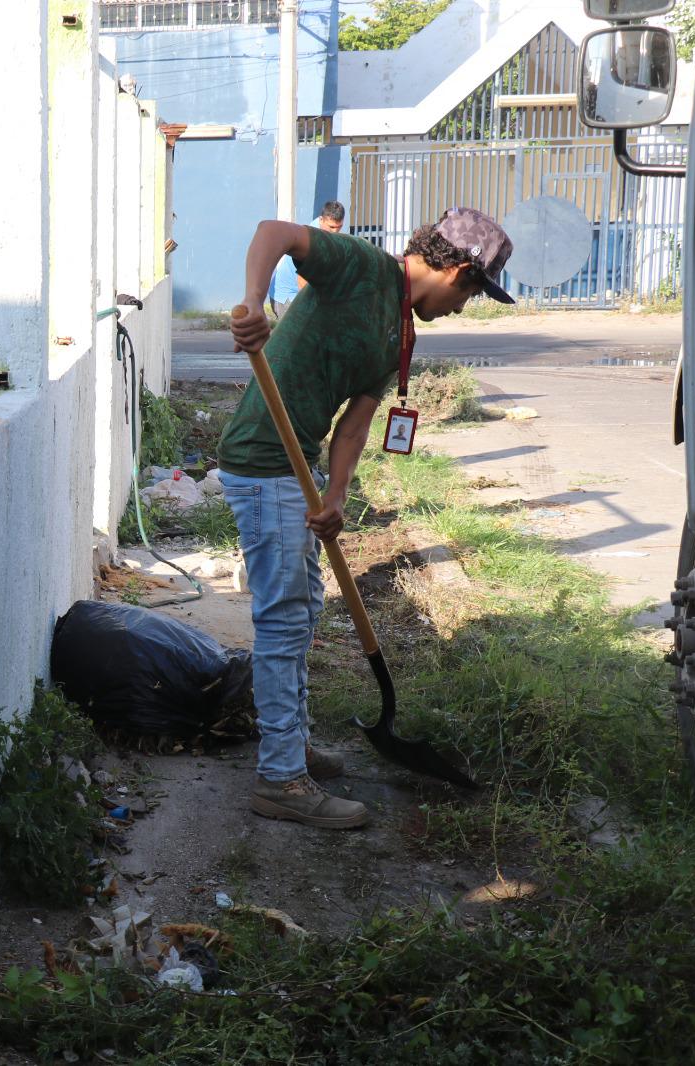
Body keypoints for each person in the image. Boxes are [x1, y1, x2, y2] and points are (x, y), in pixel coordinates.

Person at [218, 207, 513, 829]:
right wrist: (253, 304)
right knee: (282, 622)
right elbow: (273, 231)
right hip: (265, 457)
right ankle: (279, 781)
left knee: (302, 616)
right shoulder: (357, 268)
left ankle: (290, 748)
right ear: (456, 270)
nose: (465, 308)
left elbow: (354, 426)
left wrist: (337, 497)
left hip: (300, 469)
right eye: (472, 293)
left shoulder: (402, 333)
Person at [267, 201, 346, 318]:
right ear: (321, 220)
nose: (335, 231)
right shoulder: (312, 241)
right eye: (331, 227)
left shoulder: (322, 230)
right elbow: (303, 283)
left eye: (339, 227)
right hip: (287, 297)